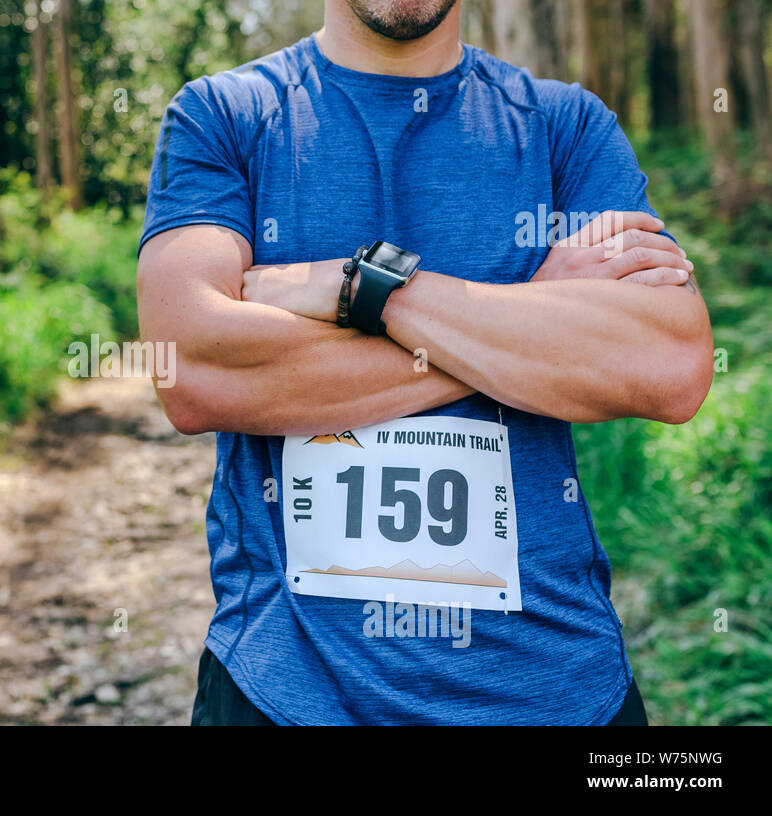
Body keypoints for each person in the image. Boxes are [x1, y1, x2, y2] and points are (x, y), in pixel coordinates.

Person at [137, 0, 713, 725]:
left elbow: (669, 364)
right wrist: (525, 315)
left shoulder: (565, 126)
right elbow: (192, 370)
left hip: (558, 690)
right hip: (289, 692)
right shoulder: (225, 115)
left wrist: (358, 288)